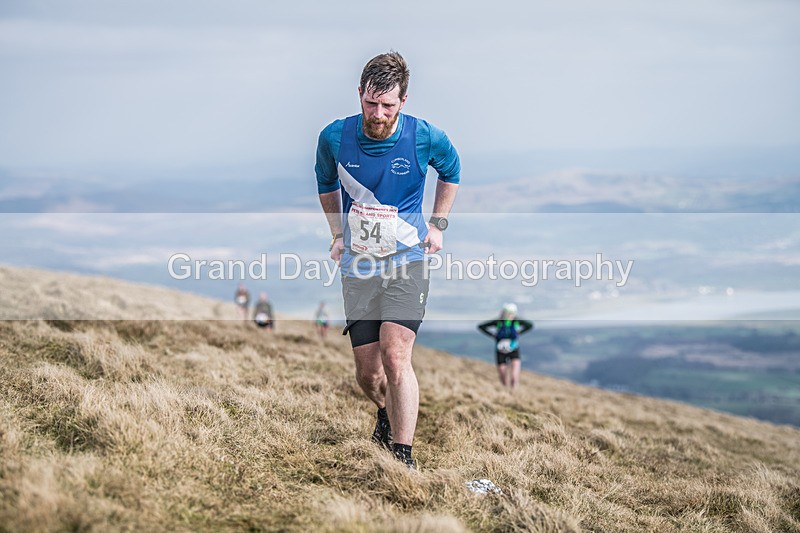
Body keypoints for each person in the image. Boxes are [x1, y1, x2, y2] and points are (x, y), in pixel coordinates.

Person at [315, 51, 460, 469]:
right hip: (359, 263)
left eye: (388, 105)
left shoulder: (424, 136)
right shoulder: (334, 138)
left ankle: (402, 456)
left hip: (407, 259)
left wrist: (438, 225)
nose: (378, 114)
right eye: (371, 103)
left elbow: (452, 169)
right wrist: (338, 235)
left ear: (404, 100)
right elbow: (325, 183)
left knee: (397, 356)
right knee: (369, 375)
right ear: (359, 94)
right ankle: (385, 411)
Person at [477, 303, 534, 389]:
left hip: (514, 349)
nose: (510, 315)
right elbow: (481, 326)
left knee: (514, 377)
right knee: (503, 376)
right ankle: (506, 392)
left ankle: (514, 392)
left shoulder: (516, 321)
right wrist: (493, 335)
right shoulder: (498, 322)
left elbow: (529, 325)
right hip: (500, 350)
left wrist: (519, 333)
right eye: (508, 313)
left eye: (512, 313)